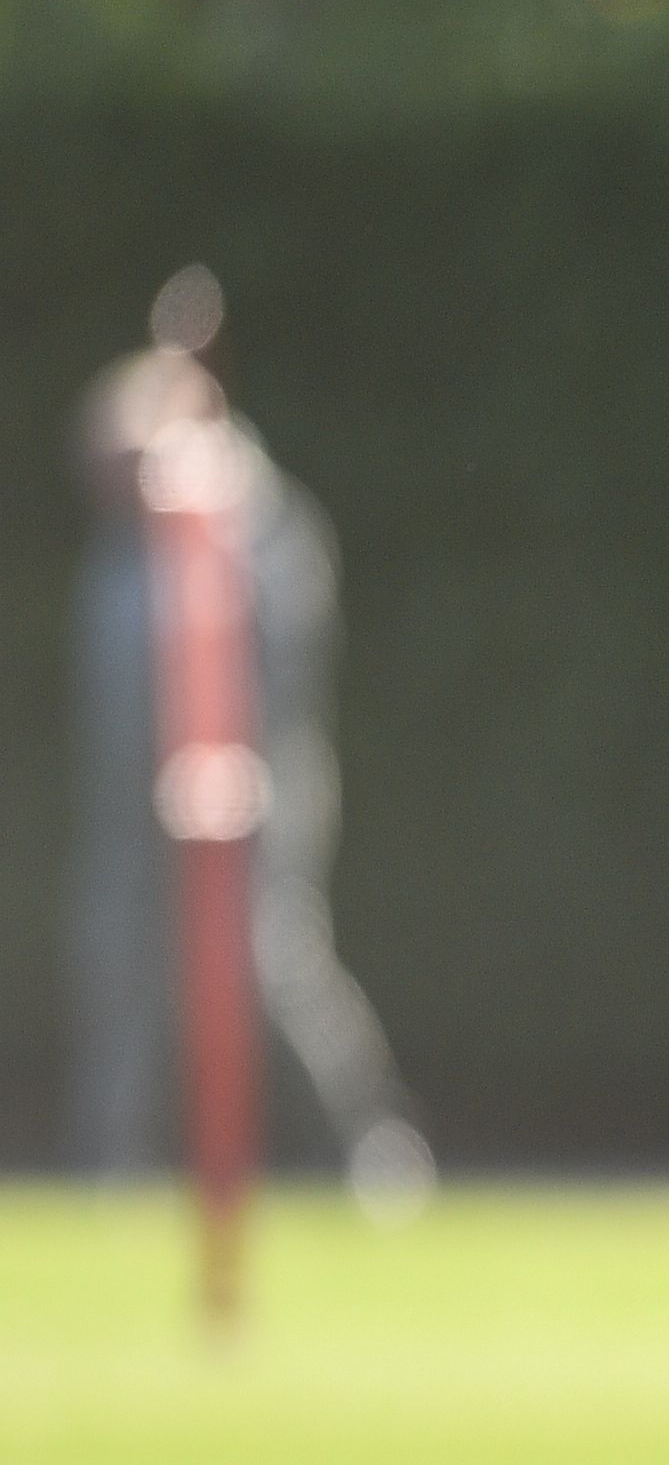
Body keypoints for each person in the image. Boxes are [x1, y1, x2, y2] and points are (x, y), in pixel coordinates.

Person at [65, 277, 432, 1216]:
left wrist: (235, 762)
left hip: (258, 789)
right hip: (132, 802)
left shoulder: (263, 531)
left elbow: (288, 664)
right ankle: (110, 1168)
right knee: (119, 966)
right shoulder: (119, 555)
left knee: (276, 966)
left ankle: (374, 1152)